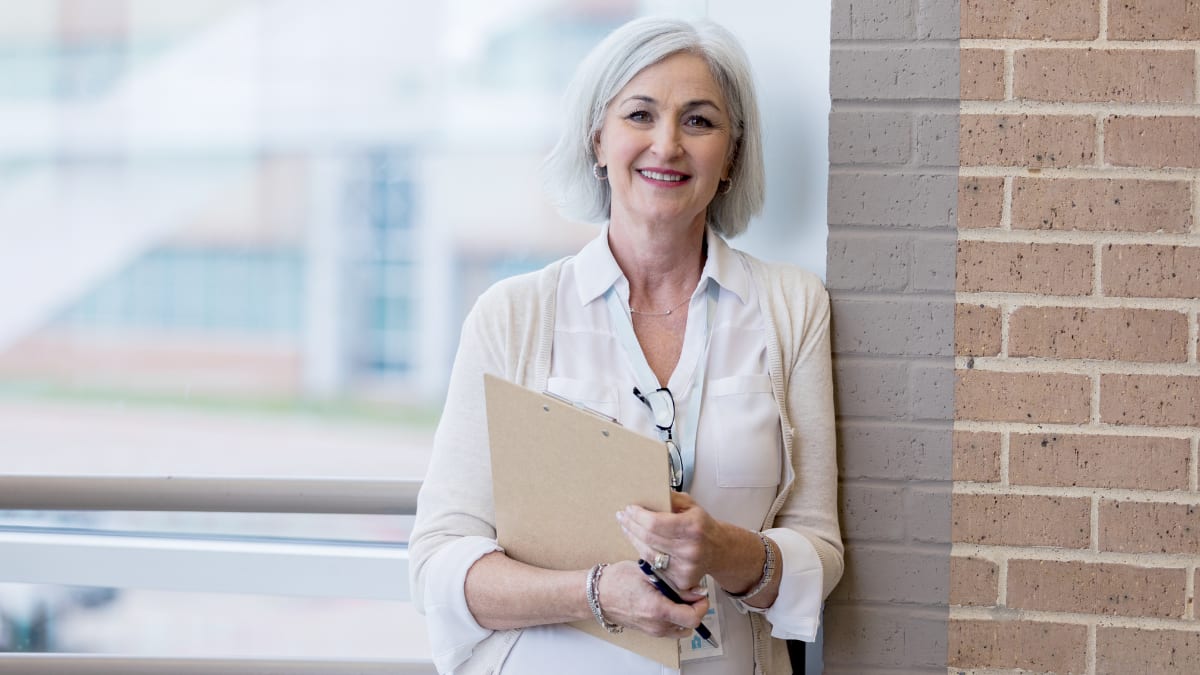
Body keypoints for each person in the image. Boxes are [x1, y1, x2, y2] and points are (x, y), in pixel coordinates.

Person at [409, 16, 842, 675]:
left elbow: (820, 549)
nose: (666, 144)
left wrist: (724, 550)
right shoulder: (512, 315)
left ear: (731, 154)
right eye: (640, 114)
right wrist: (596, 591)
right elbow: (439, 563)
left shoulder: (792, 308)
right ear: (598, 140)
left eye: (698, 121)